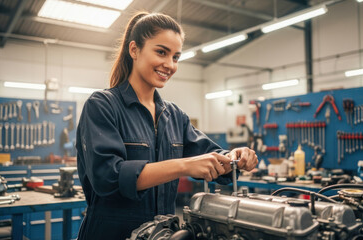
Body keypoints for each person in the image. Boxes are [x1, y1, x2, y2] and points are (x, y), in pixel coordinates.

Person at [75, 12, 258, 239]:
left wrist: (234, 158)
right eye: (161, 52)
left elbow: (210, 158)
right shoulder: (102, 105)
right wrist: (184, 166)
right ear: (134, 50)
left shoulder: (174, 116)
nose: (170, 65)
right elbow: (109, 178)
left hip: (162, 234)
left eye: (176, 57)